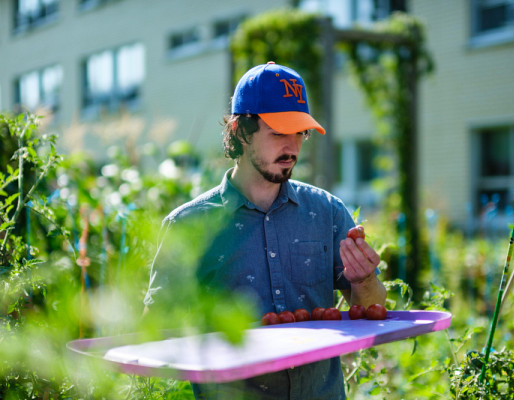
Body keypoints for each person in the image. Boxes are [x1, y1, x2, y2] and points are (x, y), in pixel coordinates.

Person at [144, 62, 386, 399]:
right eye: (278, 132)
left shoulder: (327, 211)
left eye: (299, 132)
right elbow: (156, 330)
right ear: (241, 131)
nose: (292, 147)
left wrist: (364, 281)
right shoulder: (189, 226)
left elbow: (372, 309)